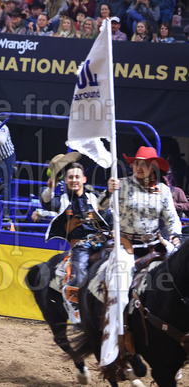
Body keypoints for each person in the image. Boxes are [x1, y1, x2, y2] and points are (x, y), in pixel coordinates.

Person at [100, 146, 181, 369]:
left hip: (154, 246)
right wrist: (108, 192)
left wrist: (175, 235)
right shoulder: (121, 184)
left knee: (176, 284)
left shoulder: (163, 190)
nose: (138, 167)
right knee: (120, 287)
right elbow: (100, 207)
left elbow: (172, 218)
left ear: (152, 167)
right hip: (127, 246)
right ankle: (120, 342)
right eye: (136, 163)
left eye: (143, 164)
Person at [40, 155, 111, 323]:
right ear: (65, 180)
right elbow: (46, 203)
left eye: (77, 177)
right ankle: (75, 311)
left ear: (84, 179)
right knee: (78, 278)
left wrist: (110, 192)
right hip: (80, 246)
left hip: (104, 241)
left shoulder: (94, 198)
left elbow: (108, 212)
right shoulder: (62, 201)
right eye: (70, 177)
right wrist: (49, 189)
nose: (74, 180)